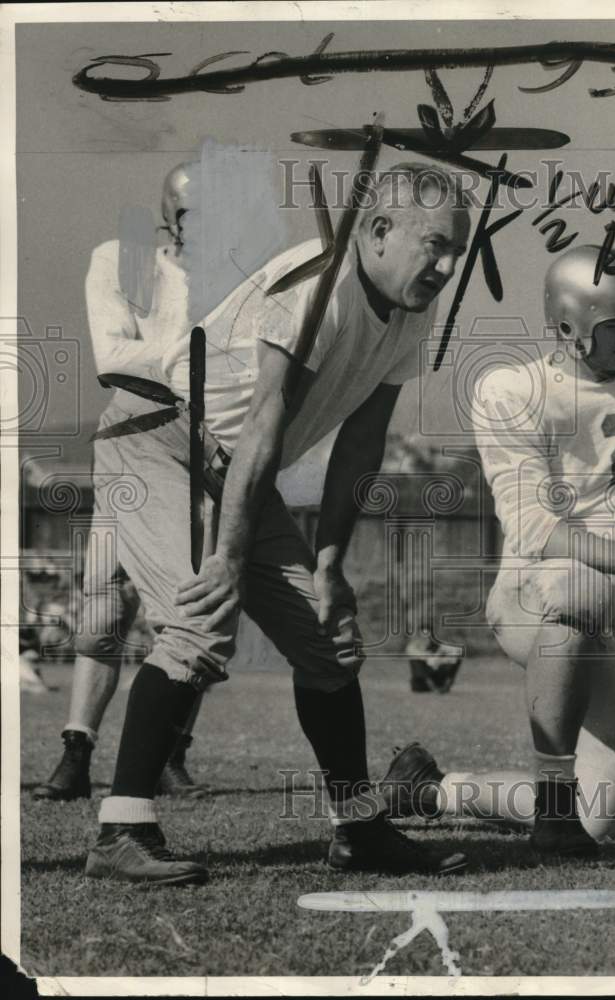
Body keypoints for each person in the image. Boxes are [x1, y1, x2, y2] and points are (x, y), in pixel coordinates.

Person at [84, 160, 472, 885]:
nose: (448, 266)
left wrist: (329, 564)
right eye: (436, 245)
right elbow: (265, 422)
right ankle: (121, 827)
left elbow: (362, 442)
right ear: (380, 230)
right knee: (199, 622)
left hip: (234, 467)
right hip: (161, 435)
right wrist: (227, 560)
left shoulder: (411, 309)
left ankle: (357, 829)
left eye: (457, 249)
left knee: (327, 641)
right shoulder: (318, 286)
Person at [381, 245, 615, 855]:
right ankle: (552, 806)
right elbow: (535, 528)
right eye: (614, 327)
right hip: (535, 593)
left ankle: (430, 789)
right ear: (566, 328)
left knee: (604, 812)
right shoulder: (513, 391)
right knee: (580, 588)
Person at [33, 166, 210, 803]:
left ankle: (169, 753)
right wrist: (194, 359)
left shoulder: (239, 279)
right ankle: (76, 753)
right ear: (168, 216)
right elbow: (111, 357)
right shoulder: (122, 259)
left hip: (206, 443)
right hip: (132, 435)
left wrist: (179, 360)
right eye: (192, 211)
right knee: (106, 600)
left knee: (192, 605)